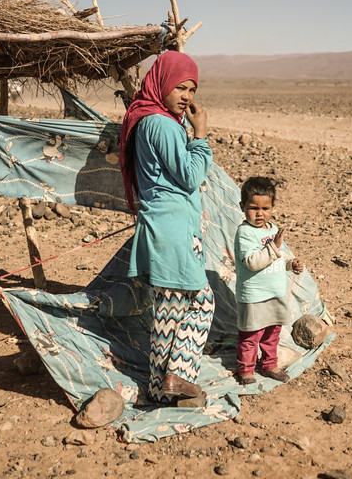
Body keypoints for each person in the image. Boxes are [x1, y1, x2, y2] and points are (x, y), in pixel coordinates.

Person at [119, 51, 215, 403]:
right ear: (162, 83)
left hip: (165, 226)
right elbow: (189, 176)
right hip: (172, 228)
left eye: (192, 88)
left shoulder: (150, 120)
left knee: (171, 310)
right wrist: (201, 136)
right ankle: (175, 376)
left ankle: (161, 389)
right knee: (201, 302)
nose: (187, 96)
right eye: (180, 86)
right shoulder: (160, 124)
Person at [233, 176, 304, 385]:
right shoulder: (245, 233)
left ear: (273, 207)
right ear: (242, 206)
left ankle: (269, 365)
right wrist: (274, 245)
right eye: (254, 208)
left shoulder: (272, 229)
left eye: (265, 208)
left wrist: (292, 263)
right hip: (254, 296)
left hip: (275, 293)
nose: (259, 213)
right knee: (250, 335)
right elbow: (253, 262)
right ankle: (246, 369)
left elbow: (280, 255)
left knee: (272, 333)